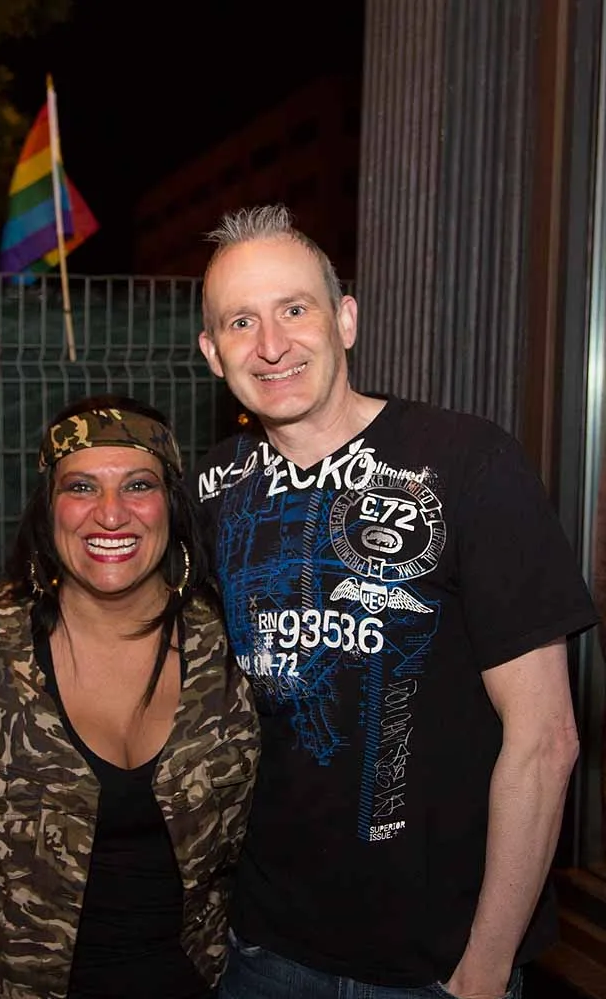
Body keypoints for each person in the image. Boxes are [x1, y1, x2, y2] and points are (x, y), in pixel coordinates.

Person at [193, 204, 599, 999]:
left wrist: (485, 968)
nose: (271, 344)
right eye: (241, 322)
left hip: (439, 965)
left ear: (345, 320)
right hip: (266, 950)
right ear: (212, 353)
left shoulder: (466, 463)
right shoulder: (215, 487)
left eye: (295, 310)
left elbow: (546, 739)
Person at [0, 395, 260, 999]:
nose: (112, 515)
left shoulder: (233, 639)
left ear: (171, 503)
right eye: (82, 488)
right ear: (49, 507)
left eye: (138, 485)